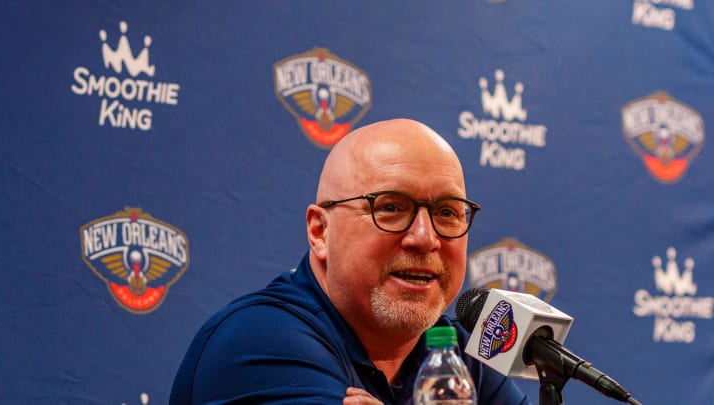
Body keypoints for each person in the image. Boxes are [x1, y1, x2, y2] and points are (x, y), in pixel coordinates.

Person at [170, 118, 531, 404]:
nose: (425, 237)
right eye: (390, 207)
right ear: (319, 231)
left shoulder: (456, 350)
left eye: (447, 212)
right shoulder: (257, 340)